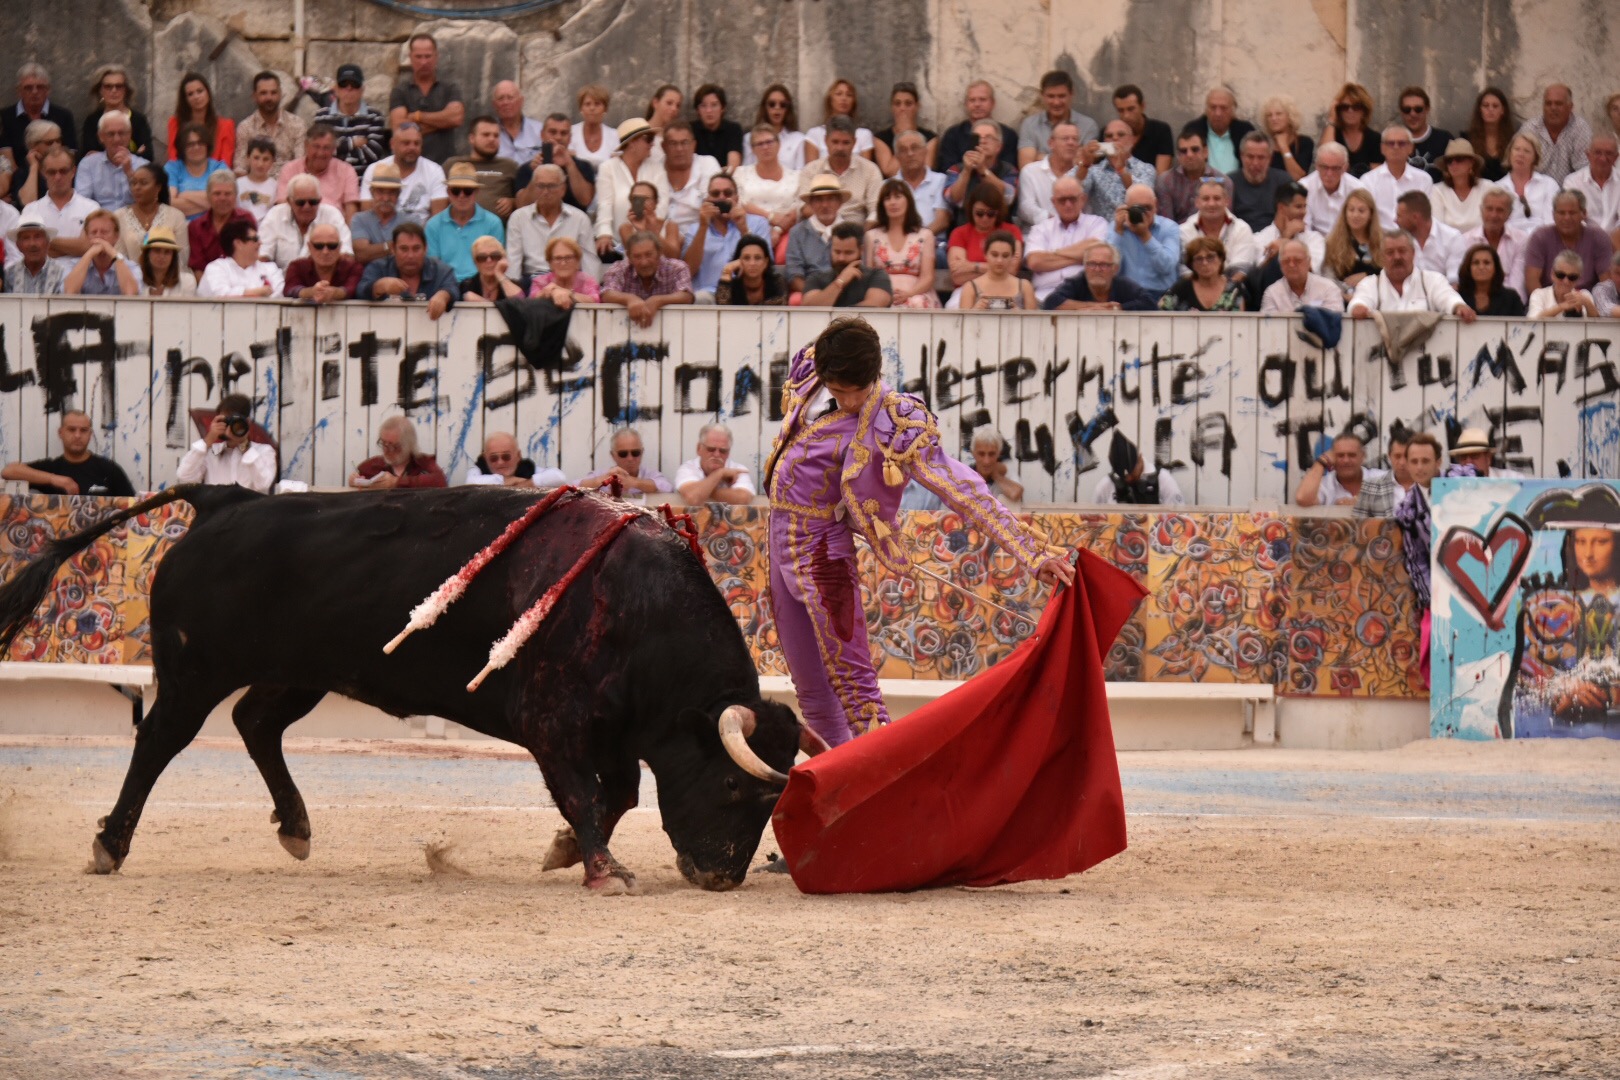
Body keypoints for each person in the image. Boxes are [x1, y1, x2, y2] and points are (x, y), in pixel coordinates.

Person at [763, 316, 1073, 746]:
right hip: (778, 538)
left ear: (873, 376)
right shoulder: (813, 370)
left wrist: (1032, 553)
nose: (845, 401)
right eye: (836, 390)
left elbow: (958, 486)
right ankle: (834, 775)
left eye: (853, 392)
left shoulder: (893, 418)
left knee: (856, 686)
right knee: (810, 685)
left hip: (823, 553)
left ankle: (880, 777)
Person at [1347, 229, 1474, 321]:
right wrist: (1358, 308)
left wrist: (1458, 307)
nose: (1397, 257)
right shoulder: (1370, 283)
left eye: (1402, 251)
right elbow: (1360, 301)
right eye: (1390, 252)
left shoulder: (1433, 280)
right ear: (1382, 257)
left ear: (1413, 253)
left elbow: (1448, 298)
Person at [2, 409, 133, 496]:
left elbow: (133, 508)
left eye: (83, 430)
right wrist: (53, 479)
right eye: (71, 429)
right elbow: (9, 471)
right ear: (61, 433)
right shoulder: (51, 468)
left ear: (90, 434)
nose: (77, 435)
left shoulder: (109, 470)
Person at [505, 163, 598, 283]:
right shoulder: (518, 218)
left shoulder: (579, 218)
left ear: (563, 189)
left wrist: (590, 288)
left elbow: (590, 262)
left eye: (551, 186)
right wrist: (514, 289)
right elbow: (513, 262)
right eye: (540, 186)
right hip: (532, 281)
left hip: (569, 282)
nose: (545, 191)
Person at [682, 172, 767, 301]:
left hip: (745, 294)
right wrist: (703, 226)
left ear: (737, 198)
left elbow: (765, 267)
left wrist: (743, 229)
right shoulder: (695, 229)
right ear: (708, 200)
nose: (722, 197)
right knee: (700, 298)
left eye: (727, 193)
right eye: (715, 194)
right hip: (708, 295)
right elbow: (688, 271)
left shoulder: (758, 223)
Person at [1025, 176, 1108, 303]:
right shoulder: (1040, 229)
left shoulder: (1097, 223)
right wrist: (1080, 257)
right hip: (1043, 298)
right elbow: (1035, 262)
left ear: (1083, 199)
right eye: (1062, 200)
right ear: (1053, 202)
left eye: (1072, 199)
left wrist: (1053, 253)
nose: (1068, 205)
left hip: (1084, 297)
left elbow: (1096, 253)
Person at [593, 118, 667, 255]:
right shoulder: (608, 168)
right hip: (618, 242)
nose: (652, 144)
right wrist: (604, 233)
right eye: (649, 139)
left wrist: (649, 229)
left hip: (653, 240)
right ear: (632, 142)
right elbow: (605, 203)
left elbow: (662, 205)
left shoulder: (657, 168)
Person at [356, 222, 458, 319]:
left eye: (416, 249)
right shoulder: (378, 267)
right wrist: (380, 286)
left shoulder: (441, 270)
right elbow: (360, 290)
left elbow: (453, 288)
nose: (410, 256)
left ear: (426, 248)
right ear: (393, 249)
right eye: (404, 249)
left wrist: (444, 296)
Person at [388, 34, 464, 165]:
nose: (423, 62)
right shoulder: (400, 91)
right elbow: (398, 128)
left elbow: (455, 118)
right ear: (410, 57)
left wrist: (417, 116)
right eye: (418, 57)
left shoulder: (450, 88)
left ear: (436, 57)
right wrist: (442, 123)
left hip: (445, 165)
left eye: (428, 56)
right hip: (409, 164)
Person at [178, 393, 276, 493]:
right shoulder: (210, 452)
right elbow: (185, 477)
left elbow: (263, 485)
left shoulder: (263, 451)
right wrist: (208, 439)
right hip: (217, 503)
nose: (231, 426)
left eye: (236, 422)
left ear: (247, 422)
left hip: (249, 503)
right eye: (226, 421)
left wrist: (244, 446)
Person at [866, 178, 939, 308]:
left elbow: (928, 277)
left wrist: (909, 294)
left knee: (918, 302)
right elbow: (868, 276)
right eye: (887, 198)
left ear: (908, 201)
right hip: (882, 296)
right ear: (882, 205)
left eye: (898, 197)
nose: (893, 202)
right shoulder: (871, 236)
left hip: (916, 295)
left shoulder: (925, 235)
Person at [423, 162, 503, 280]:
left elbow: (496, 265)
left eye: (467, 191)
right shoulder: (433, 225)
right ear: (448, 192)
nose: (461, 196)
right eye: (456, 190)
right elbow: (433, 267)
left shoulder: (493, 223)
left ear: (476, 192)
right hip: (445, 284)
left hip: (481, 284)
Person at [797, 116, 881, 225]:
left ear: (854, 142)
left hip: (856, 230)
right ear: (825, 141)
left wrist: (863, 233)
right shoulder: (811, 170)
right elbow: (804, 207)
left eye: (846, 143)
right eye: (835, 142)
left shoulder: (870, 170)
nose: (840, 148)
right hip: (819, 229)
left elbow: (875, 211)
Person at [359, 123, 447, 226]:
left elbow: (438, 219)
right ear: (392, 144)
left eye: (416, 143)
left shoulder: (434, 171)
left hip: (422, 232)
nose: (412, 147)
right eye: (406, 143)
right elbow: (368, 215)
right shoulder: (375, 170)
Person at [1524, 190, 1614, 292]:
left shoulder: (1598, 237)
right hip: (1548, 298)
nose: (1567, 218)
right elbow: (1532, 281)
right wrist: (1544, 301)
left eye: (1572, 213)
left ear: (1584, 214)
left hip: (1588, 298)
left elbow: (1606, 283)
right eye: (1561, 213)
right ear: (1553, 215)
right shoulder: (1540, 237)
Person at [600, 229, 693, 326]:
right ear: (629, 257)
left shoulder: (677, 268)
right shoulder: (619, 268)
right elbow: (606, 293)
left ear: (659, 252)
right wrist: (629, 299)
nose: (644, 262)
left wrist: (659, 300)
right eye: (637, 257)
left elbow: (687, 296)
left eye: (649, 255)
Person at [1451, 187, 1530, 299]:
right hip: (1474, 301)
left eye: (1500, 210)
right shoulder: (1465, 240)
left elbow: (1517, 285)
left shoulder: (1521, 240)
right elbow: (1464, 280)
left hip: (1509, 303)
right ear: (1481, 211)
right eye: (1489, 209)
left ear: (1509, 214)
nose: (1494, 215)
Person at [511, 113, 596, 216]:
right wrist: (537, 172)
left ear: (570, 138)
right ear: (542, 135)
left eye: (563, 133)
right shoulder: (527, 169)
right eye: (552, 132)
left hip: (574, 223)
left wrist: (569, 164)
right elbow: (522, 206)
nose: (558, 137)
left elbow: (585, 200)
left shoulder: (583, 166)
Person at [261, 174, 352, 270]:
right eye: (300, 202)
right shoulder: (275, 215)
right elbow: (262, 257)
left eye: (313, 202)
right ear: (289, 201)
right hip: (280, 278)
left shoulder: (332, 215)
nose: (307, 207)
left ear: (320, 200)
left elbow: (347, 257)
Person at [734, 124, 801, 249]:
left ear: (779, 144)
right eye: (759, 144)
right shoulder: (740, 174)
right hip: (748, 230)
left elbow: (797, 209)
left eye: (769, 142)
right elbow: (740, 203)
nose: (765, 147)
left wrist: (778, 230)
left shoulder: (796, 176)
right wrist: (770, 216)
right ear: (752, 149)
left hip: (786, 232)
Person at [273, 125, 360, 219]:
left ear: (334, 149)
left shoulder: (346, 171)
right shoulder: (290, 169)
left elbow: (351, 213)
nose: (320, 153)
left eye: (326, 148)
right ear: (306, 145)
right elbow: (282, 208)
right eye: (316, 146)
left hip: (333, 226)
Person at [1079, 118, 1156, 221]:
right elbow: (1072, 191)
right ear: (1104, 141)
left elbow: (1143, 197)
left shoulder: (1146, 169)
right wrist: (1084, 165)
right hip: (1104, 229)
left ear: (1132, 140)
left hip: (1136, 227)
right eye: (1109, 136)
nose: (1114, 138)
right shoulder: (1094, 171)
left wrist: (1122, 170)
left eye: (1121, 134)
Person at [1017, 70, 1100, 167]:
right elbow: (1026, 165)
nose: (1056, 102)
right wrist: (1070, 157)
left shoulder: (1088, 125)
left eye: (1061, 96)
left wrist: (1039, 157)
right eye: (1051, 96)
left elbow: (1085, 163)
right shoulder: (1030, 124)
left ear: (1071, 94)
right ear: (1042, 96)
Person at [1110, 183, 1180, 298]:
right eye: (1137, 208)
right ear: (1126, 208)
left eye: (1148, 208)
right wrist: (1118, 232)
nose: (1143, 214)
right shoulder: (1117, 226)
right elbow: (1110, 270)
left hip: (1161, 294)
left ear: (1156, 205)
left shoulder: (1169, 227)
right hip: (1127, 293)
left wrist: (1145, 236)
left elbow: (1166, 266)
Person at [936, 80, 1020, 176]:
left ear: (992, 103)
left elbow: (1009, 171)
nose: (977, 104)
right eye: (972, 100)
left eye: (982, 99)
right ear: (966, 104)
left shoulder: (1008, 135)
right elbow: (948, 171)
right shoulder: (953, 135)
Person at [443, 116, 518, 222]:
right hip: (457, 225)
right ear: (471, 138)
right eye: (486, 135)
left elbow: (525, 200)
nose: (492, 139)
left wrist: (513, 202)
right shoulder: (452, 164)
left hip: (498, 228)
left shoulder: (509, 166)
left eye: (496, 135)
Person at [1041, 242, 1156, 311]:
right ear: (1085, 267)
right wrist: (1095, 307)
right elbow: (1051, 302)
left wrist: (1118, 308)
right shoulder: (1077, 282)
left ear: (1115, 269)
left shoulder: (1123, 284)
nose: (1097, 269)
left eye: (1104, 265)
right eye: (1092, 264)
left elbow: (1150, 303)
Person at [947, 183, 1021, 289]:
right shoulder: (959, 233)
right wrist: (998, 270)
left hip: (1003, 288)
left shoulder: (1012, 231)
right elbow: (958, 277)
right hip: (967, 288)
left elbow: (1012, 270)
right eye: (979, 213)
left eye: (990, 214)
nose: (985, 218)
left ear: (998, 212)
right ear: (971, 210)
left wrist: (973, 266)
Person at [945, 119, 1019, 225]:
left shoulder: (1009, 170)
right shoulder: (956, 169)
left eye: (988, 137)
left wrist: (982, 169)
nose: (982, 141)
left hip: (999, 229)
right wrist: (966, 171)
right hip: (965, 228)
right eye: (977, 137)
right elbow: (952, 199)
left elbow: (1008, 197)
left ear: (998, 147)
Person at [315, 64, 387, 172]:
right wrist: (352, 143)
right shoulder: (322, 116)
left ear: (362, 89)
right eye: (343, 84)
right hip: (330, 177)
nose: (349, 89)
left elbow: (372, 155)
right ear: (336, 89)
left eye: (355, 85)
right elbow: (320, 152)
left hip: (363, 179)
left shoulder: (375, 117)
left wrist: (337, 148)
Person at [1180, 178, 1258, 277]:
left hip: (1232, 285)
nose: (1211, 204)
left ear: (1227, 201)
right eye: (1206, 199)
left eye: (1217, 198)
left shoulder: (1242, 229)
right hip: (1195, 284)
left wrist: (1222, 287)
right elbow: (1185, 271)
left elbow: (1240, 270)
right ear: (1197, 202)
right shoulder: (1184, 231)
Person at [33, 147, 99, 264]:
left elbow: (87, 246)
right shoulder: (32, 210)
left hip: (82, 273)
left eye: (63, 171)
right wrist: (75, 247)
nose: (58, 177)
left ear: (73, 171)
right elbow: (31, 251)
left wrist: (45, 239)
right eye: (51, 172)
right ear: (43, 173)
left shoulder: (91, 208)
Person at [234, 72, 307, 176]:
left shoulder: (297, 124)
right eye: (263, 93)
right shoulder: (245, 127)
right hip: (256, 183)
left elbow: (301, 164)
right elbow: (240, 167)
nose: (269, 98)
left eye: (273, 93)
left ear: (280, 94)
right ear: (254, 96)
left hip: (289, 183)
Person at [803, 221, 892, 307]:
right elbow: (810, 309)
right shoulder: (816, 278)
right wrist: (840, 281)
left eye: (848, 253)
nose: (841, 258)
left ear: (861, 250)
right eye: (837, 252)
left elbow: (875, 305)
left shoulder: (876, 275)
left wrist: (841, 314)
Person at [1361, 126, 1434, 231]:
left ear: (1411, 148)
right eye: (1391, 143)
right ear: (1382, 148)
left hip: (1412, 237)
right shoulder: (1368, 180)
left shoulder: (1423, 180)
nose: (1396, 147)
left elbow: (1426, 218)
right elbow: (1365, 218)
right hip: (1379, 238)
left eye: (1401, 143)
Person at [115, 164, 188, 265]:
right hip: (129, 273)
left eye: (143, 183)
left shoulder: (176, 216)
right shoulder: (118, 216)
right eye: (133, 183)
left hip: (169, 273)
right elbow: (118, 256)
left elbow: (182, 257)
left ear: (158, 187)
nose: (137, 187)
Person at [784, 174, 847, 292]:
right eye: (819, 200)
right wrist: (815, 296)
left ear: (840, 202)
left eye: (830, 199)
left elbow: (858, 268)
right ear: (811, 204)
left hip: (845, 291)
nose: (825, 205)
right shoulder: (797, 232)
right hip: (809, 292)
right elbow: (794, 274)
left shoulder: (851, 231)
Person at [3, 64, 76, 165]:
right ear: (19, 91)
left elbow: (70, 156)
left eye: (40, 87)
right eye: (28, 88)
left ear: (48, 90)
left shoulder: (63, 116)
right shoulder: (5, 117)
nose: (35, 92)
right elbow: (7, 162)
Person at [1520, 84, 1592, 185]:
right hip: (1535, 189)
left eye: (1558, 104)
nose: (1553, 108)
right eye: (1548, 103)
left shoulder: (1580, 129)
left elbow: (1583, 171)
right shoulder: (1531, 129)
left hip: (1570, 190)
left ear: (1570, 107)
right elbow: (1520, 167)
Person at [349, 415, 447, 489]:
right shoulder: (374, 465)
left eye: (394, 446)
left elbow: (440, 481)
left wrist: (397, 482)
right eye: (384, 443)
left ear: (408, 444)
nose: (387, 450)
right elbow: (359, 477)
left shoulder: (423, 463)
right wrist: (354, 480)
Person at [74, 111, 146, 212]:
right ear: (101, 137)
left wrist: (130, 173)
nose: (117, 139)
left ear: (129, 135)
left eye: (121, 133)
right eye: (111, 134)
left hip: (132, 218)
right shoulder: (88, 164)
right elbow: (82, 201)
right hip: (99, 218)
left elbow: (146, 201)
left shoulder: (143, 165)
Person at [186, 169, 254, 275]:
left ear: (236, 196)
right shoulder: (196, 226)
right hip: (208, 281)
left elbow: (252, 260)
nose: (222, 198)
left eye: (228, 194)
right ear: (208, 196)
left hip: (242, 280)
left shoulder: (246, 220)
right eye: (217, 194)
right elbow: (198, 268)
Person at [1155, 128, 1227, 225]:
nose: (1189, 155)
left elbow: (1225, 221)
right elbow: (1166, 224)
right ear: (1178, 156)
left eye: (1195, 149)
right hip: (1177, 233)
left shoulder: (1224, 182)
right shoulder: (1165, 181)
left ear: (1205, 152)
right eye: (1183, 151)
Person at [1016, 121, 1081, 229]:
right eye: (1065, 138)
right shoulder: (1030, 172)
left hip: (1076, 232)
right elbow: (1026, 208)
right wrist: (1055, 221)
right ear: (1051, 143)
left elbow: (1087, 209)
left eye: (1075, 139)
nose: (1071, 143)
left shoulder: (1083, 174)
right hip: (1038, 233)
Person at [197, 218, 283, 298]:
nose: (260, 243)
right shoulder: (216, 268)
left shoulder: (271, 268)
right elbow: (220, 295)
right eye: (255, 239)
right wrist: (258, 292)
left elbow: (279, 294)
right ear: (238, 243)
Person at [576, 427, 672, 498]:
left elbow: (668, 488)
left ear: (642, 452)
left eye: (635, 453)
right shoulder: (603, 474)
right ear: (613, 455)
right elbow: (574, 486)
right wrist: (602, 481)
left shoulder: (649, 474)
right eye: (623, 454)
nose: (630, 458)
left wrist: (634, 482)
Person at [80, 65, 151, 161]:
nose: (114, 90)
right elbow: (87, 156)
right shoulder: (92, 121)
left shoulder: (138, 120)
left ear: (126, 90)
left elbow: (148, 156)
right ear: (100, 90)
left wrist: (102, 155)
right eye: (108, 86)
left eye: (119, 86)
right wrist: (135, 154)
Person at [1092, 432, 1186, 505]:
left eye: (1131, 472)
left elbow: (1178, 517)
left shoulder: (1163, 480)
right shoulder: (1106, 486)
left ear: (1140, 458)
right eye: (1124, 476)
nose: (1129, 478)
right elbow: (1092, 518)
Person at [1252, 180, 1324, 275]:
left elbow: (1311, 271)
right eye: (1298, 207)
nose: (1304, 212)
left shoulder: (1314, 238)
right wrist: (1285, 236)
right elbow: (1260, 275)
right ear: (1281, 208)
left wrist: (1284, 244)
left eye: (1305, 206)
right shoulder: (1259, 238)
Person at [1295, 432, 1382, 507]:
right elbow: (1302, 498)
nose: (1346, 460)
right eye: (1340, 455)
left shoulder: (1380, 478)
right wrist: (1321, 462)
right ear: (1332, 457)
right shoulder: (1326, 484)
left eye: (1352, 455)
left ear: (1363, 456)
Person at [1322, 187, 1384, 293]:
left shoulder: (1383, 241)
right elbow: (1328, 277)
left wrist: (1367, 276)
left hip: (1376, 295)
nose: (1355, 215)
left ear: (1371, 214)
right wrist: (1342, 294)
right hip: (1341, 297)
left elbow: (1390, 275)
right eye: (1351, 210)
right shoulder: (1331, 242)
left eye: (1361, 211)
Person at [63, 210, 138, 296]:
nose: (98, 236)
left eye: (104, 232)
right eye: (93, 232)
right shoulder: (73, 265)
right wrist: (89, 254)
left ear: (116, 236)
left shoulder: (131, 267)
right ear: (87, 237)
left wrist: (114, 254)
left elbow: (131, 293)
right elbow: (69, 292)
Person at [676, 422, 753, 505]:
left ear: (728, 452)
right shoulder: (688, 468)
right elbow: (693, 498)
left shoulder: (738, 469)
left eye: (723, 451)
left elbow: (743, 498)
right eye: (711, 449)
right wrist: (720, 473)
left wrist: (703, 490)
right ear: (699, 449)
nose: (717, 455)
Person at [1493, 133, 1560, 229]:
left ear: (1535, 158)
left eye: (1526, 151)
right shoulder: (1497, 188)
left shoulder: (1548, 185)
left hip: (1541, 237)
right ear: (1509, 153)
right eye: (1517, 149)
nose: (1520, 154)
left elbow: (1551, 223)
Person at [283, 221, 362, 303]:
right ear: (309, 247)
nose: (325, 252)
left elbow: (351, 289)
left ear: (340, 247)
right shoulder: (297, 267)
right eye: (319, 246)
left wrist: (333, 293)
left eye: (332, 246)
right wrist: (312, 292)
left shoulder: (353, 268)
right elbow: (289, 290)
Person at [1159, 236, 1244, 311]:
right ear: (1191, 264)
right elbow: (1162, 312)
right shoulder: (1182, 287)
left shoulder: (1234, 288)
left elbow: (1242, 320)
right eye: (1199, 259)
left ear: (1221, 259)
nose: (1205, 263)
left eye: (1210, 257)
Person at [872, 82, 937, 179]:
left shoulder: (930, 139)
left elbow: (925, 170)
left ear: (917, 106)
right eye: (897, 104)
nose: (902, 108)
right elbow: (889, 171)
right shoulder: (880, 138)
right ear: (892, 107)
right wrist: (904, 134)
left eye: (908, 104)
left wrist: (909, 132)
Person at [893, 129, 951, 237]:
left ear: (925, 151)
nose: (910, 153)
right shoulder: (888, 186)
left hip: (934, 241)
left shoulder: (940, 180)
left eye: (915, 148)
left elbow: (942, 221)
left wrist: (918, 239)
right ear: (897, 157)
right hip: (898, 242)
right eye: (903, 150)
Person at [1260, 238, 1345, 312]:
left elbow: (1334, 321)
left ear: (1309, 262)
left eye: (1297, 260)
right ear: (1280, 265)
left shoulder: (1329, 289)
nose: (1291, 265)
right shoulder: (1272, 293)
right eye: (1286, 261)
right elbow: (1268, 324)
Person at [958, 230, 1034, 311]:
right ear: (985, 254)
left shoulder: (1025, 287)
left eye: (1005, 256)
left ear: (1012, 257)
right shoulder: (970, 287)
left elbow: (1034, 318)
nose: (999, 260)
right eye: (994, 255)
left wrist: (1020, 314)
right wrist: (974, 311)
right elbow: (963, 318)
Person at [1185, 87, 1254, 176]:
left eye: (1223, 108)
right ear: (1206, 110)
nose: (1218, 113)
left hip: (1237, 184)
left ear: (1233, 111)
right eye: (1213, 107)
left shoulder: (1245, 132)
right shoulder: (1193, 130)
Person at [1301, 141, 1365, 236]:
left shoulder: (1357, 189)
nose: (1329, 173)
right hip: (1314, 241)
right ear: (1317, 166)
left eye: (1335, 168)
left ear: (1345, 168)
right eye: (1324, 167)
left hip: (1348, 240)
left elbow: (1363, 227)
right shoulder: (1304, 187)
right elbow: (1305, 227)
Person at [803, 79, 875, 164]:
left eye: (849, 95)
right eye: (838, 94)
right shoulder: (815, 134)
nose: (844, 98)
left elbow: (866, 168)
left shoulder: (864, 135)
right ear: (830, 100)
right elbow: (811, 169)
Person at [166, 123, 229, 219]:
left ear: (207, 145)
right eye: (190, 144)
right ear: (182, 148)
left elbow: (224, 202)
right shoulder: (172, 167)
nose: (196, 147)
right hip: (180, 225)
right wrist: (210, 202)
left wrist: (185, 195)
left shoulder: (219, 167)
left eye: (201, 143)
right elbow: (168, 203)